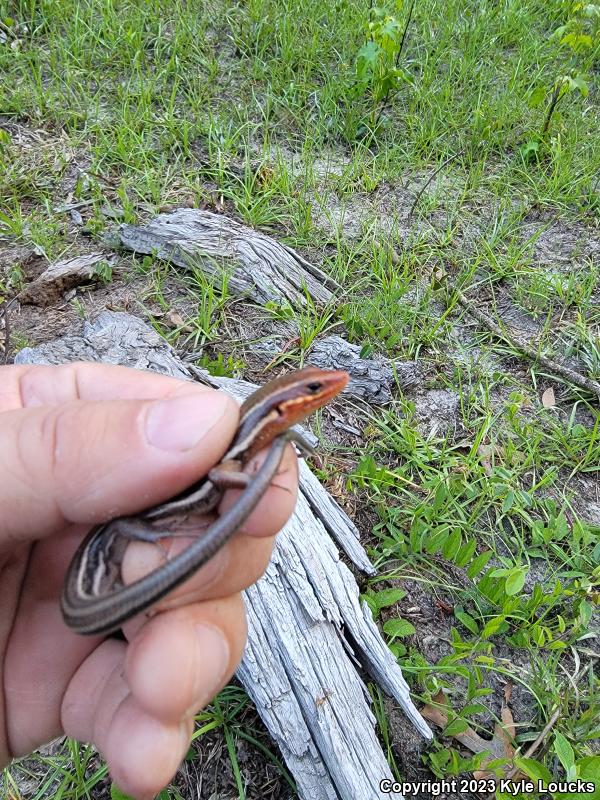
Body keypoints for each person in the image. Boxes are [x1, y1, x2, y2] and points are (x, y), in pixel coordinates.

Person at [0, 361, 298, 799]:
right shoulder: (224, 448)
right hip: (105, 554)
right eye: (313, 389)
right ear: (277, 412)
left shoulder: (238, 443)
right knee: (161, 565)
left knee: (168, 632)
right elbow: (217, 477)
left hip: (92, 577)